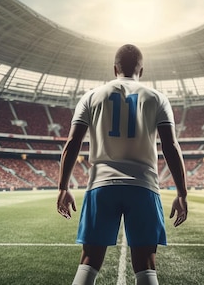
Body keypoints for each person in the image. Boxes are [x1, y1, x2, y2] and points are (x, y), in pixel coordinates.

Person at [57, 44, 188, 285]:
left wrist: (63, 188)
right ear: (142, 70)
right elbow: (171, 146)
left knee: (89, 259)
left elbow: (72, 143)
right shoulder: (157, 98)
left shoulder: (91, 96)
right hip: (144, 186)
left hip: (101, 185)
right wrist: (182, 192)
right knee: (146, 263)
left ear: (115, 68)